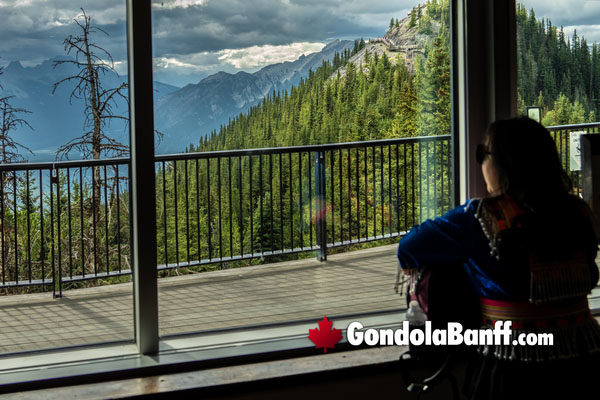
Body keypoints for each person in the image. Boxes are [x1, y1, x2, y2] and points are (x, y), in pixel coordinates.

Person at [396, 117, 600, 399]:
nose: (480, 163)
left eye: (483, 153)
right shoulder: (579, 213)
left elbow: (408, 247)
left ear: (503, 162)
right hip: (583, 356)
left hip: (512, 366)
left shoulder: (481, 219)